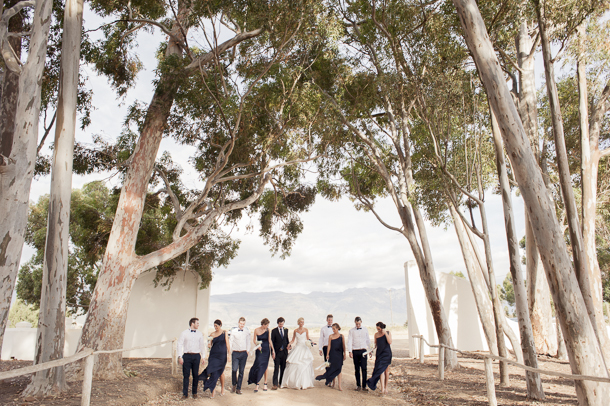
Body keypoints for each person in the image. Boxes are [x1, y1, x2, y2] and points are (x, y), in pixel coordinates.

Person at [199, 319, 230, 398]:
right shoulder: (212, 334)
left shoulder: (224, 333)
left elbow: (227, 344)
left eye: (217, 326)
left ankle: (222, 389)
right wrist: (209, 345)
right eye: (214, 326)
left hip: (222, 356)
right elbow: (210, 344)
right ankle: (213, 391)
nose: (215, 327)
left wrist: (229, 354)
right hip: (213, 356)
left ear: (220, 325)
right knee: (213, 373)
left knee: (221, 373)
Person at [281, 317, 315, 389]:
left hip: (304, 348)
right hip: (297, 348)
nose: (302, 323)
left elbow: (308, 338)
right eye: (301, 322)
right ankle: (293, 382)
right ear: (298, 323)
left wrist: (311, 342)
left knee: (303, 365)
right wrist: (289, 344)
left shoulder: (306, 330)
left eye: (303, 322)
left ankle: (304, 383)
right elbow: (293, 340)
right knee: (294, 364)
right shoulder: (295, 331)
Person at [177, 317, 206, 400]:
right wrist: (180, 356)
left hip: (196, 356)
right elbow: (179, 344)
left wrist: (203, 356)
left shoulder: (200, 334)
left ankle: (194, 392)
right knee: (186, 375)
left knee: (195, 375)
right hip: (186, 356)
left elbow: (202, 346)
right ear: (192, 324)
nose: (198, 325)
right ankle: (185, 393)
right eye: (197, 323)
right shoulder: (184, 333)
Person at [315, 323, 346, 390]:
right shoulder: (330, 336)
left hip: (339, 355)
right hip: (333, 354)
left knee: (339, 369)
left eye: (334, 329)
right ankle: (334, 383)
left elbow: (344, 346)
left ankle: (339, 385)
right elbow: (329, 346)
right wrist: (328, 354)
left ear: (338, 328)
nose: (333, 330)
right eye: (332, 329)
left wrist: (345, 354)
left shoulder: (342, 336)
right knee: (333, 369)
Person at [247, 318, 274, 392]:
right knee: (258, 365)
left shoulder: (268, 330)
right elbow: (254, 340)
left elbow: (269, 340)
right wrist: (257, 346)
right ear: (263, 324)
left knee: (265, 366)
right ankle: (257, 383)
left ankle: (265, 383)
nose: (267, 326)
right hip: (259, 350)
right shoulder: (256, 330)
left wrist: (273, 350)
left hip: (266, 350)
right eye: (267, 325)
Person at [366, 322, 393, 395]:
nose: (378, 330)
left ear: (382, 328)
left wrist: (385, 333)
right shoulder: (376, 335)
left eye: (379, 329)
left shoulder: (388, 332)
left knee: (386, 371)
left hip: (387, 354)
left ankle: (386, 387)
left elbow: (390, 342)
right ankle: (382, 388)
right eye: (377, 329)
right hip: (379, 355)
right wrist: (370, 350)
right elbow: (375, 344)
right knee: (380, 371)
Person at [347, 316, 371, 391]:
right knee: (357, 368)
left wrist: (370, 350)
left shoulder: (365, 329)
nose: (358, 325)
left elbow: (368, 340)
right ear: (355, 323)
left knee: (364, 368)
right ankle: (358, 385)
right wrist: (350, 351)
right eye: (357, 324)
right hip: (355, 350)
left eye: (359, 324)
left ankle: (364, 386)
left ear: (361, 322)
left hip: (363, 350)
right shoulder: (351, 331)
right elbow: (349, 341)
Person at [229, 317, 251, 395]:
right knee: (234, 369)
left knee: (241, 371)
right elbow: (230, 341)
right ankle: (234, 384)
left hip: (243, 353)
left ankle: (239, 388)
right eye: (241, 324)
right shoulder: (234, 331)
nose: (242, 325)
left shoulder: (246, 332)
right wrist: (230, 352)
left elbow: (248, 341)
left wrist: (247, 350)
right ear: (238, 323)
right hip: (235, 353)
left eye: (243, 324)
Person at [271, 317, 290, 389]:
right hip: (277, 353)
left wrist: (289, 346)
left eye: (282, 324)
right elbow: (272, 342)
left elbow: (286, 340)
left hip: (284, 352)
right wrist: (273, 353)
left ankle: (281, 382)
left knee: (283, 368)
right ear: (278, 323)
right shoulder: (274, 331)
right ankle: (275, 384)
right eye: (280, 324)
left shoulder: (286, 330)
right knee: (276, 368)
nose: (281, 325)